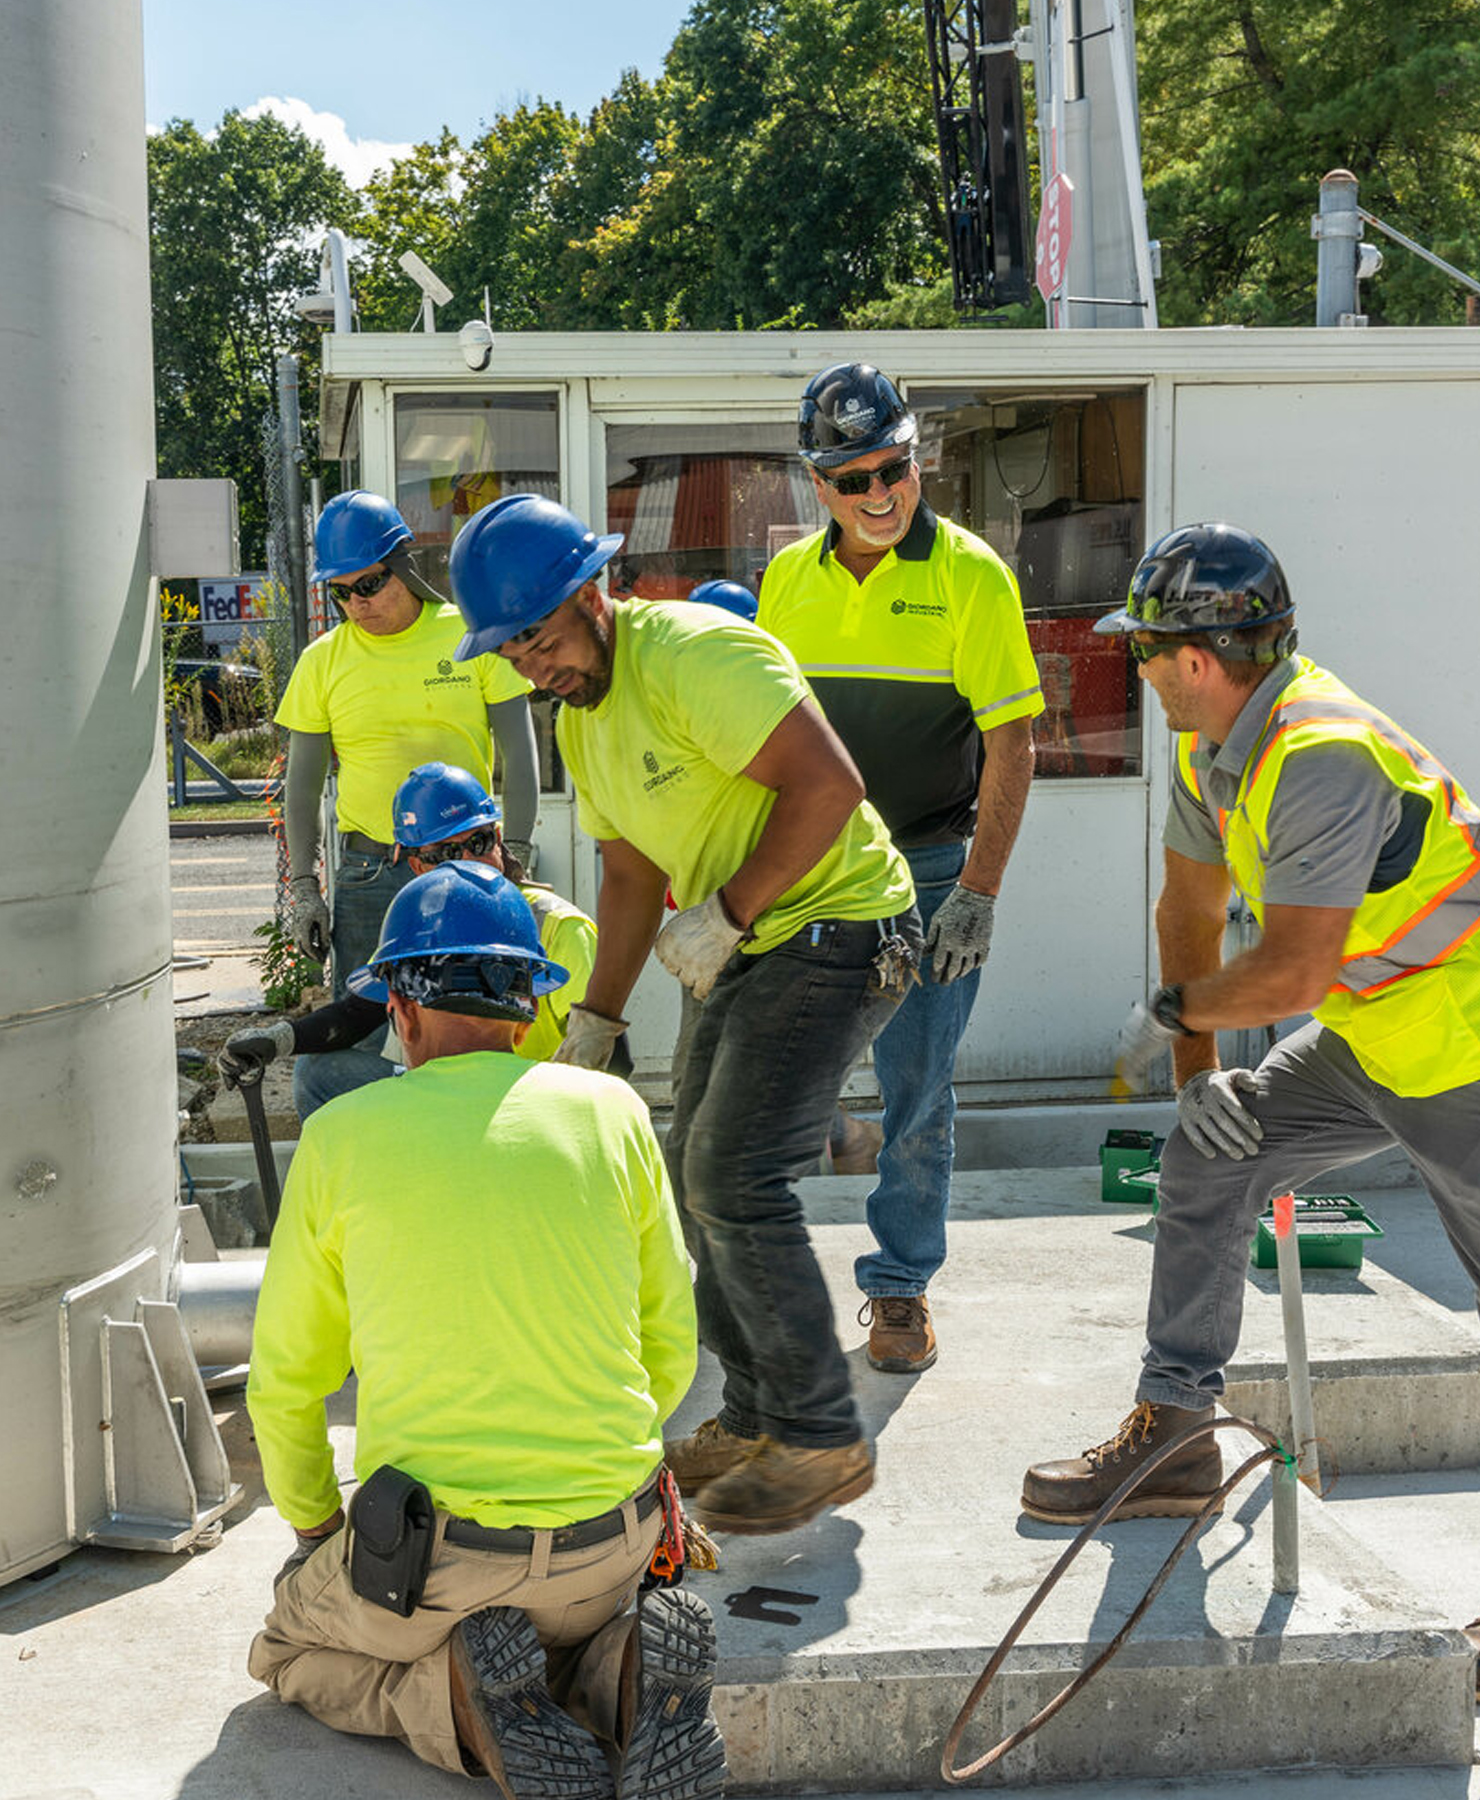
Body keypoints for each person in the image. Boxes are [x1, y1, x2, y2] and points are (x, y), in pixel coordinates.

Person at [449, 492, 922, 1536]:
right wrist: (597, 1025)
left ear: (591, 592)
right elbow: (627, 873)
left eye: (540, 638)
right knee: (686, 1168)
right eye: (513, 653)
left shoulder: (697, 656)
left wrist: (728, 911)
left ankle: (820, 1434)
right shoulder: (585, 720)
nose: (534, 667)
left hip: (839, 923)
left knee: (734, 1173)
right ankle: (753, 1416)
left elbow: (829, 786)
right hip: (753, 941)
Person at [1021, 523, 1480, 1525]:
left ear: (1192, 659)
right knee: (1208, 1156)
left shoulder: (1320, 756)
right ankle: (1178, 1435)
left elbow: (1291, 973)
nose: (1134, 667)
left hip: (1464, 1053)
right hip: (1370, 1041)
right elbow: (1187, 910)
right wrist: (1197, 1074)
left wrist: (1170, 1010)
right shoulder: (1209, 750)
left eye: (1139, 649)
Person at [246, 861, 724, 1798]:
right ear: (526, 1008)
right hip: (613, 1538)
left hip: (438, 1561)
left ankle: (460, 1701)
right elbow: (670, 1339)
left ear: (401, 1006)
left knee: (285, 1650)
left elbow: (287, 1381)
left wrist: (315, 1530)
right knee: (560, 1634)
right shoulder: (612, 1112)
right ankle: (620, 1673)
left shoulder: (345, 1136)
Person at [757, 362, 1043, 1374]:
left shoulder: (971, 576)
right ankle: (763, 1291)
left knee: (917, 1084)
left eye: (896, 467)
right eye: (852, 478)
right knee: (778, 1076)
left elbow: (1013, 746)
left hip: (927, 871)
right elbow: (767, 737)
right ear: (814, 481)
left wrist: (978, 892)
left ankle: (899, 1289)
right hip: (818, 872)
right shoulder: (785, 582)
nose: (880, 494)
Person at [218, 762, 604, 1118]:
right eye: (447, 852)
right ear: (417, 864)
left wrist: (546, 1111)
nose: (468, 859)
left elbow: (612, 1061)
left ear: (499, 838)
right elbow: (356, 1015)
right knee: (318, 1073)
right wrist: (276, 1040)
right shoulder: (420, 924)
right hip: (441, 1096)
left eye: (480, 843)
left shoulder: (559, 927)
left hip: (524, 1102)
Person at [277, 490, 539, 999]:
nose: (357, 602)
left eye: (370, 584)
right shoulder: (321, 661)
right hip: (369, 872)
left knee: (472, 1012)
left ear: (404, 566)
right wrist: (306, 888)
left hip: (466, 865)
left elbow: (521, 756)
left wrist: (518, 852)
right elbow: (303, 788)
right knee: (366, 1024)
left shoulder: (469, 636)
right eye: (341, 591)